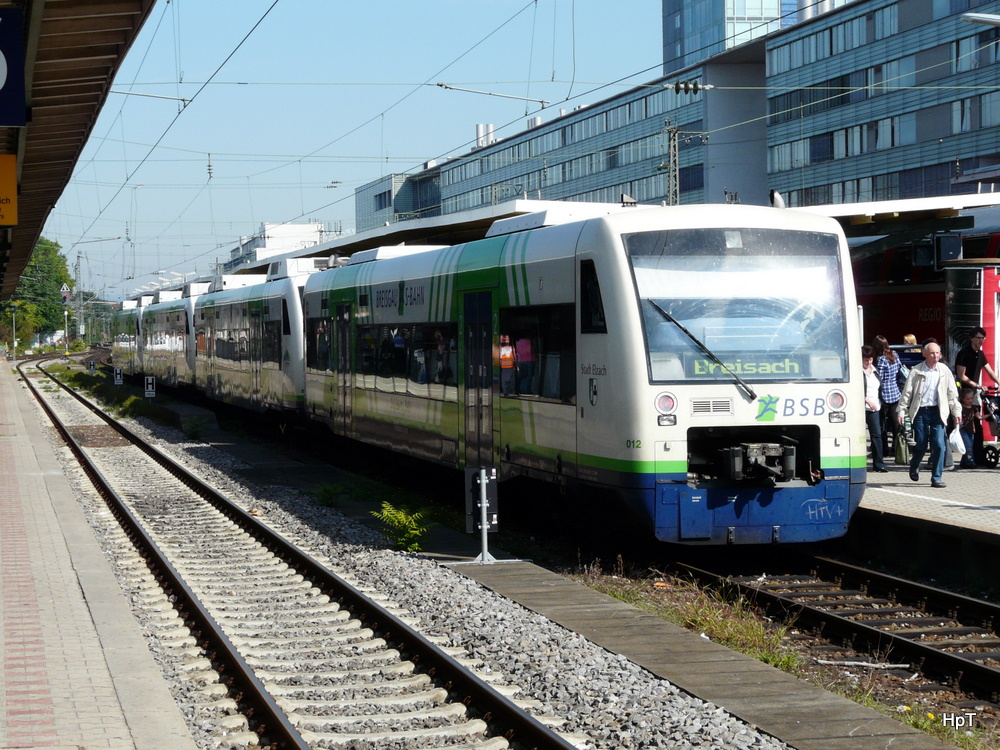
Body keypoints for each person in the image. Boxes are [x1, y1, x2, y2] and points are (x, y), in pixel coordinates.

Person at [897, 341, 961, 488]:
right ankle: (914, 466)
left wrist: (956, 412)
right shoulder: (916, 371)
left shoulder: (944, 371)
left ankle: (936, 477)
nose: (935, 356)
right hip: (920, 411)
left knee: (939, 445)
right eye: (932, 353)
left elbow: (952, 394)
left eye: (937, 352)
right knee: (921, 443)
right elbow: (907, 393)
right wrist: (901, 410)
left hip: (938, 412)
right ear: (924, 354)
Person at [954, 326, 998, 465]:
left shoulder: (980, 354)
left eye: (983, 338)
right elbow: (961, 375)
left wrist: (998, 381)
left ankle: (978, 456)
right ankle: (967, 457)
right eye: (978, 338)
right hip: (965, 392)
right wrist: (977, 385)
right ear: (971, 338)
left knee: (977, 425)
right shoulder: (964, 353)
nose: (981, 340)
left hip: (974, 393)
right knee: (966, 425)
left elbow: (990, 371)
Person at [872, 335, 901, 458]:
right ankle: (898, 449)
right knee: (896, 425)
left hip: (883, 395)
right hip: (895, 393)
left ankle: (884, 450)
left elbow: (880, 377)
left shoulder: (880, 360)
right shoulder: (894, 354)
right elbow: (899, 369)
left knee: (882, 425)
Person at [862, 345, 888, 472]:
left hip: (875, 408)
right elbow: (854, 390)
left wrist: (879, 402)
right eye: (866, 360)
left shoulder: (874, 370)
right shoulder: (857, 372)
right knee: (859, 436)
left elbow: (879, 388)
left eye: (870, 359)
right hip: (861, 408)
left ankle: (879, 463)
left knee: (877, 435)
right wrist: (866, 400)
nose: (868, 362)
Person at [957, 387, 980, 469]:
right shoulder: (960, 407)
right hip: (962, 429)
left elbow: (979, 417)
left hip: (971, 429)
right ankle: (970, 462)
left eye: (971, 398)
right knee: (968, 446)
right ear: (963, 399)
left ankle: (963, 462)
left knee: (968, 446)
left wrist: (990, 414)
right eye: (968, 399)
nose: (970, 400)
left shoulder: (974, 408)